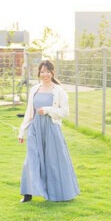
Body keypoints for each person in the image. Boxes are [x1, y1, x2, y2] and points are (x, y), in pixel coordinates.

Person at [17, 59, 79, 202]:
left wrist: (47, 110)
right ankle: (27, 194)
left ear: (52, 73)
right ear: (39, 73)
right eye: (42, 71)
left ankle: (57, 193)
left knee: (53, 160)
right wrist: (22, 130)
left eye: (47, 71)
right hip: (35, 128)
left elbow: (64, 112)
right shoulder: (34, 89)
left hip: (51, 128)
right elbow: (29, 112)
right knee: (31, 159)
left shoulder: (59, 91)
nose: (45, 74)